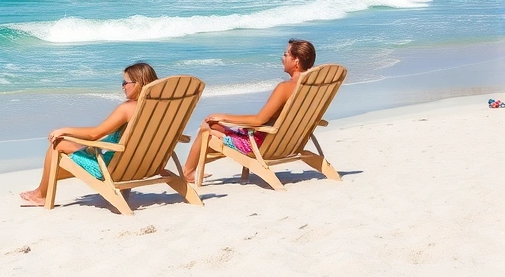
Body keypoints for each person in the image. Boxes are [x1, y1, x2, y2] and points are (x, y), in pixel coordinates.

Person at [20, 62, 158, 206]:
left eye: (125, 82)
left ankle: (41, 194)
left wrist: (65, 130)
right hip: (142, 166)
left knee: (59, 143)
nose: (122, 86)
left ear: (137, 83)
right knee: (77, 148)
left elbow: (95, 134)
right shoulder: (160, 110)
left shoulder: (128, 108)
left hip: (112, 169)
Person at [181, 39, 316, 183]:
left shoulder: (285, 88)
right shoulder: (312, 88)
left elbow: (259, 120)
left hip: (259, 145)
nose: (282, 58)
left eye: (285, 54)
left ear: (296, 60)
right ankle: (190, 169)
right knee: (215, 126)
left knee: (206, 128)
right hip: (287, 142)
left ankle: (187, 172)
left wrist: (224, 117)